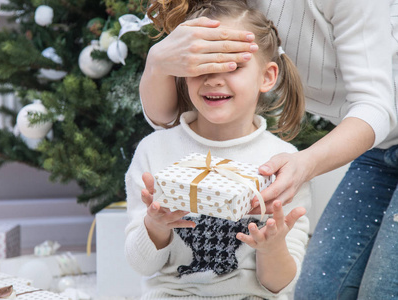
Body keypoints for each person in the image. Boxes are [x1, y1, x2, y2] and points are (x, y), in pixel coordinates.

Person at [139, 0, 398, 299]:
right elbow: (165, 117)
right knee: (318, 292)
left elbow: (377, 107)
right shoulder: (221, 9)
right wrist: (158, 60)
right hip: (380, 148)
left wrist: (306, 163)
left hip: (378, 125)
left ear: (269, 76)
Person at [125, 2, 312, 299]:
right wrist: (155, 226)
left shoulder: (284, 163)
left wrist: (272, 247)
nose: (213, 77)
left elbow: (280, 285)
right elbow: (141, 265)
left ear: (267, 76)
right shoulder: (155, 152)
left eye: (233, 65)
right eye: (201, 66)